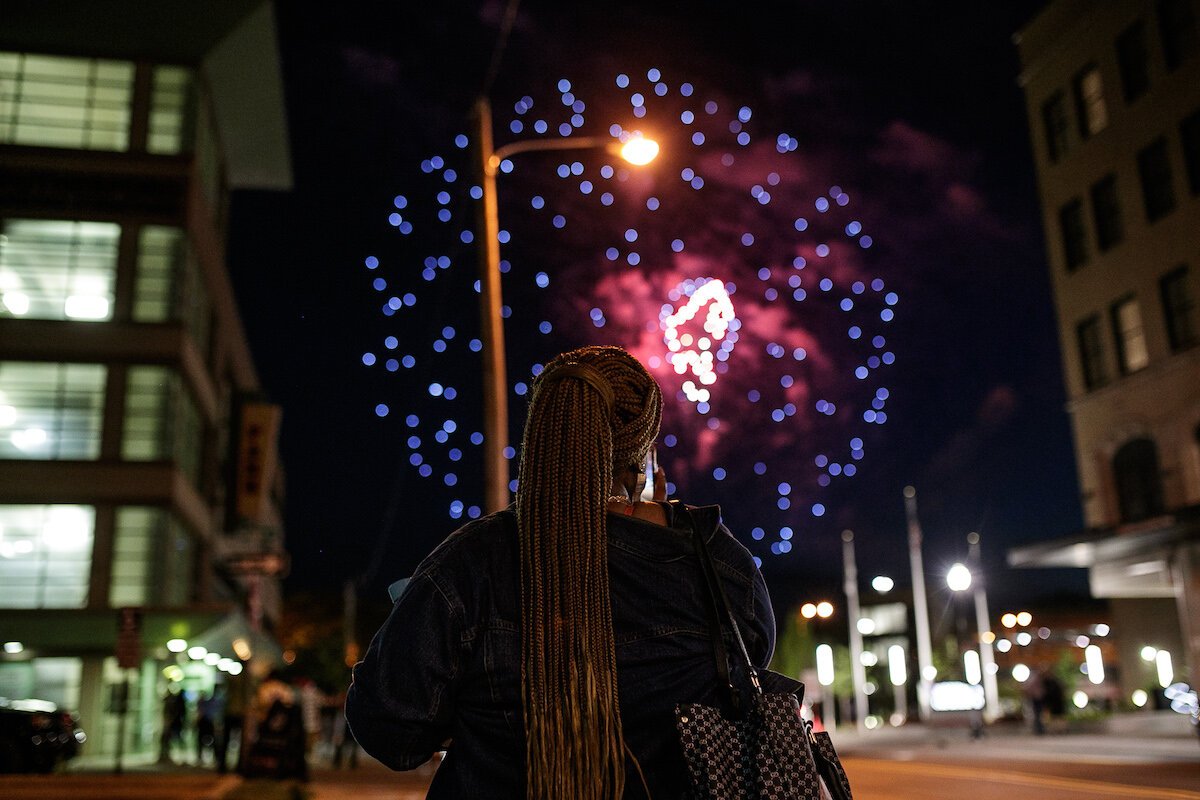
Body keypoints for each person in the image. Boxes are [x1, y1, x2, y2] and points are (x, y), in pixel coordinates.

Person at [347, 345, 781, 799]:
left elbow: (387, 728)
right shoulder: (717, 562)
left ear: (542, 434)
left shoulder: (471, 563)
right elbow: (747, 679)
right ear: (642, 455)